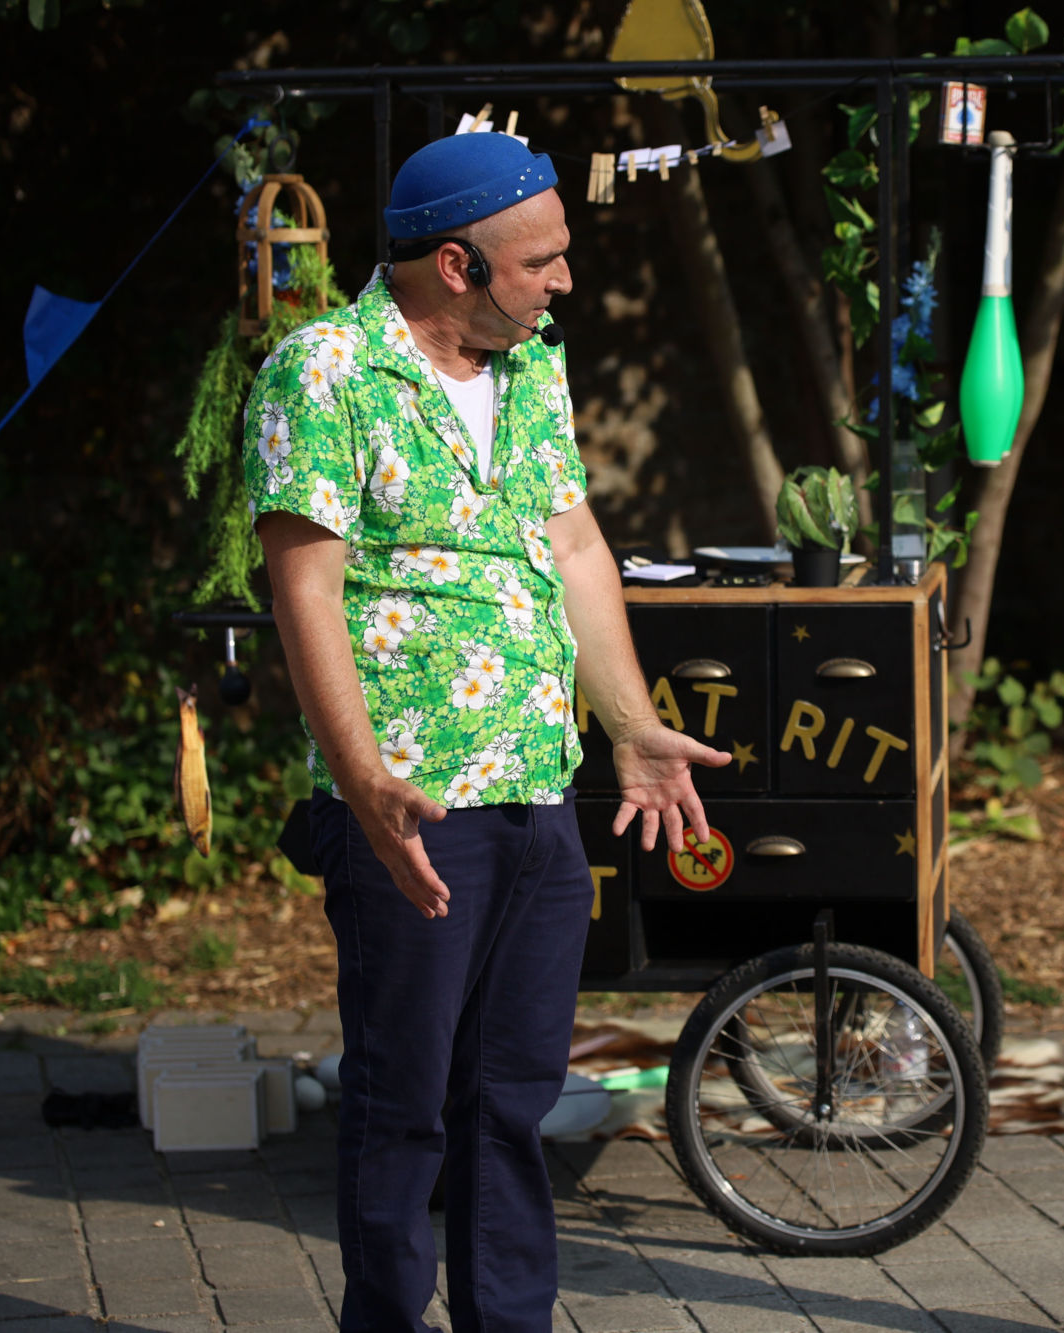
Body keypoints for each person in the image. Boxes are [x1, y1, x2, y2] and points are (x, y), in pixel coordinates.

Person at [241, 133, 728, 1333]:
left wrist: (631, 728)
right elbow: (305, 590)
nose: (564, 279)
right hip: (412, 808)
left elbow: (573, 548)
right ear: (455, 265)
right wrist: (361, 781)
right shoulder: (325, 373)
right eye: (540, 260)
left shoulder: (534, 368)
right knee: (402, 1100)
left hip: (536, 792)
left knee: (511, 1099)